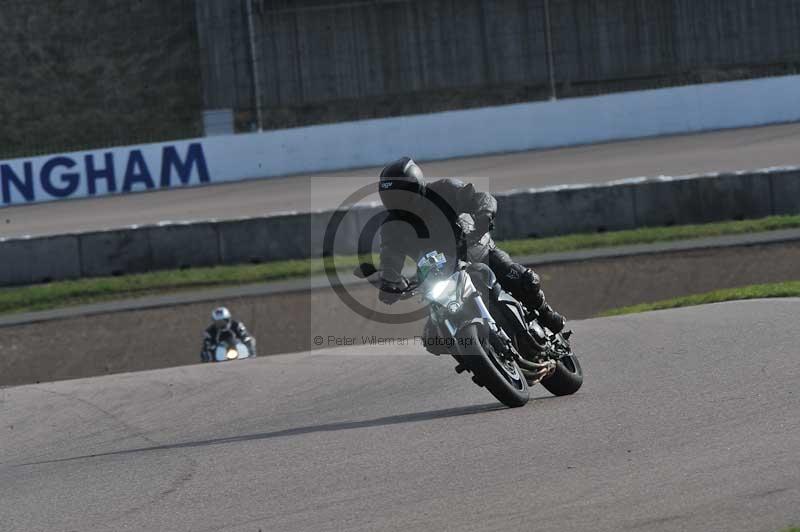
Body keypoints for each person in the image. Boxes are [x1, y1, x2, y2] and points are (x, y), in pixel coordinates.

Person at [376, 156, 566, 335]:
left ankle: (545, 312)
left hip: (475, 251)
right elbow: (389, 257)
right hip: (440, 274)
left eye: (400, 195)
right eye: (390, 197)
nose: (396, 202)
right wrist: (389, 282)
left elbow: (481, 197)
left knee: (524, 280)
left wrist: (484, 214)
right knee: (433, 337)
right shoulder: (392, 228)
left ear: (417, 187)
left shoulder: (444, 189)